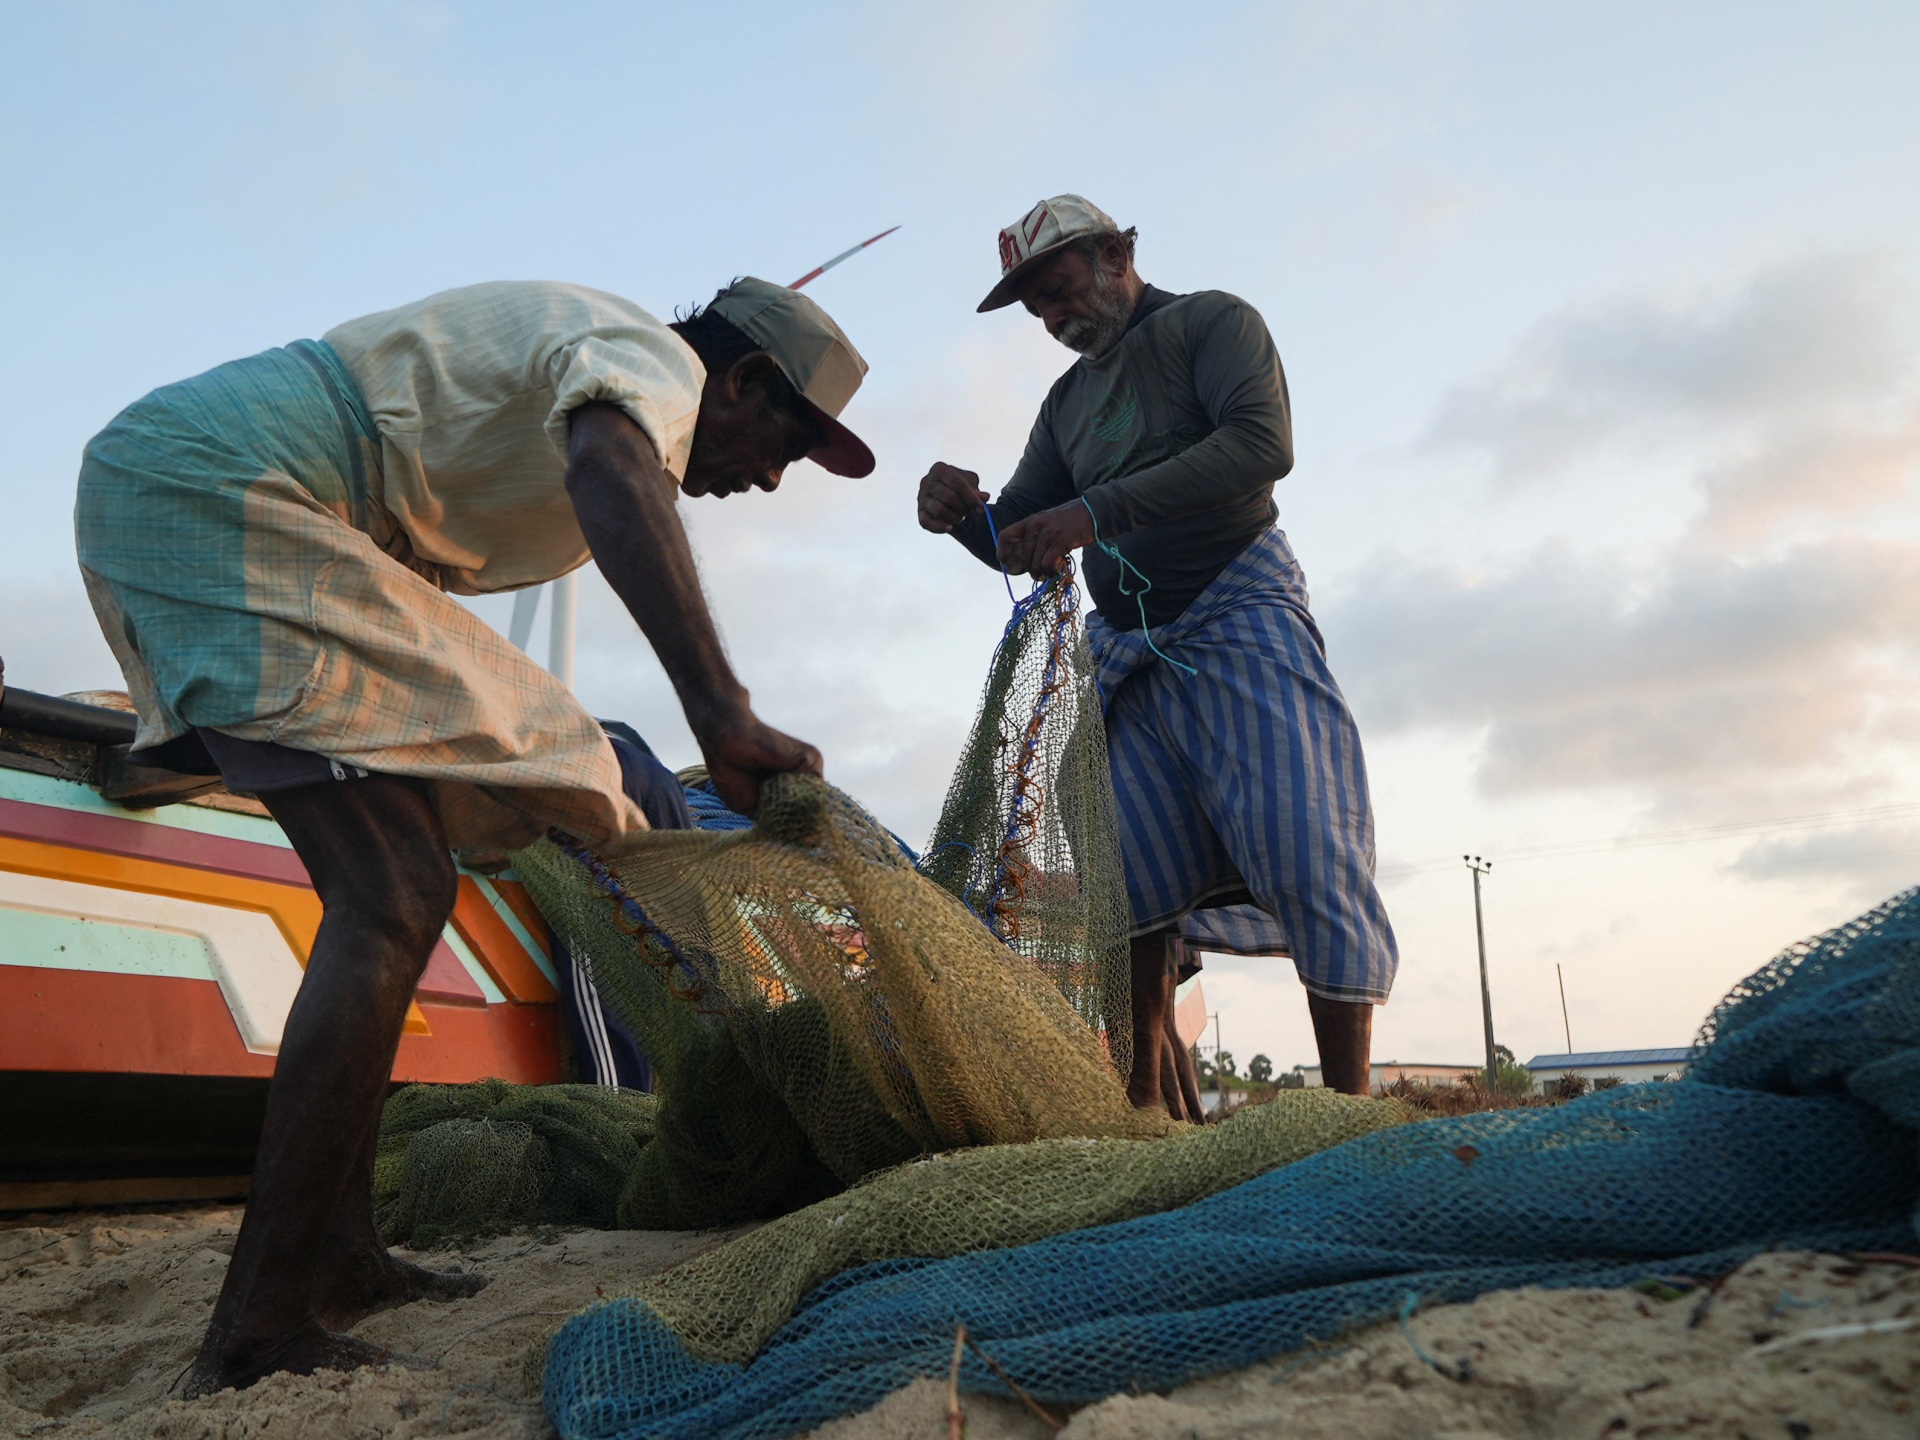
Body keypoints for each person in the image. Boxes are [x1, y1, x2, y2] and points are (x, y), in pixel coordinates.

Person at [74, 276, 875, 1393]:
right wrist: (720, 713)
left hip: (213, 497)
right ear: (739, 379)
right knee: (392, 896)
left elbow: (402, 594)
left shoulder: (591, 401)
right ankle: (258, 1330)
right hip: (225, 492)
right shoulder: (649, 364)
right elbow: (610, 469)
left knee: (402, 885)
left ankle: (344, 1259)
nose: (772, 476)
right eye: (784, 438)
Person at [917, 196, 1397, 1119]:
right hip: (1131, 648)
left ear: (1115, 253)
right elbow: (1022, 536)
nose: (1055, 323)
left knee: (1305, 844)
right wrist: (961, 518)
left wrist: (1093, 514)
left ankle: (1350, 1109)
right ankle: (1141, 1099)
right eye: (1038, 313)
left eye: (1058, 293)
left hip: (1238, 604)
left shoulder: (1212, 324)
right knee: (1123, 869)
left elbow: (1261, 446)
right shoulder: (1068, 405)